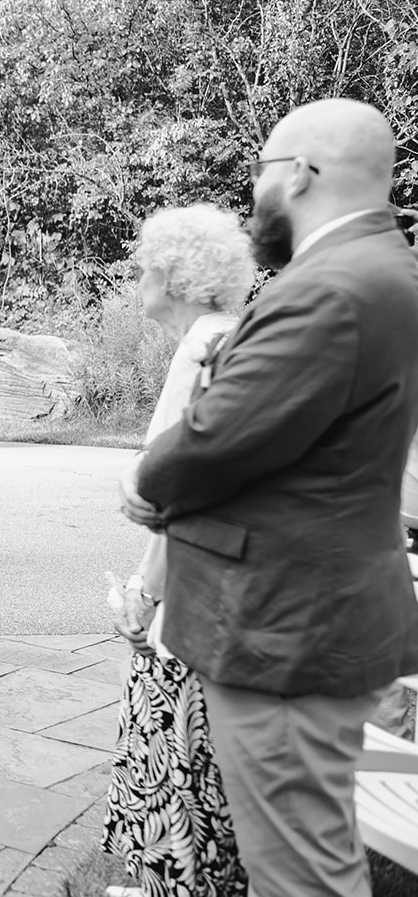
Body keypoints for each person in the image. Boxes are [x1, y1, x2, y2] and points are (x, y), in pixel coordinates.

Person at [121, 98, 418, 897]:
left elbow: (218, 436)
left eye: (261, 172)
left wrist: (141, 483)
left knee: (299, 874)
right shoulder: (382, 270)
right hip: (319, 613)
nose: (255, 193)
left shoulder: (331, 288)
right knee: (307, 856)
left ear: (300, 174)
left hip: (287, 626)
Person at [102, 205, 252, 897]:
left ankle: (175, 884)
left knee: (173, 736)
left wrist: (144, 592)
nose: (138, 278)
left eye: (145, 268)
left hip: (194, 582)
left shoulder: (202, 349)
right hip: (224, 577)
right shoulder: (231, 335)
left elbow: (178, 490)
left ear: (175, 277)